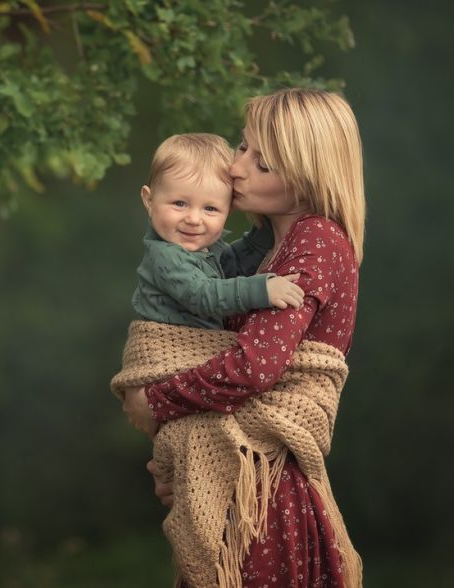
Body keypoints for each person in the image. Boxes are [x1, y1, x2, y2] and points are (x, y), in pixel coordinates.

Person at [118, 88, 366, 588]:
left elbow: (254, 368)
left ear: (307, 176)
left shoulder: (315, 239)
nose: (237, 168)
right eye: (242, 146)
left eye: (264, 163)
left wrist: (156, 401)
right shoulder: (274, 243)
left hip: (267, 493)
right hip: (245, 478)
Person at [131, 132, 304, 331]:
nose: (194, 220)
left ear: (228, 211)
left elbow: (235, 263)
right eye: (180, 204)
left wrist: (273, 220)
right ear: (149, 201)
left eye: (210, 209)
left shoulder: (205, 249)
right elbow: (203, 294)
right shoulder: (165, 255)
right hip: (170, 352)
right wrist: (262, 290)